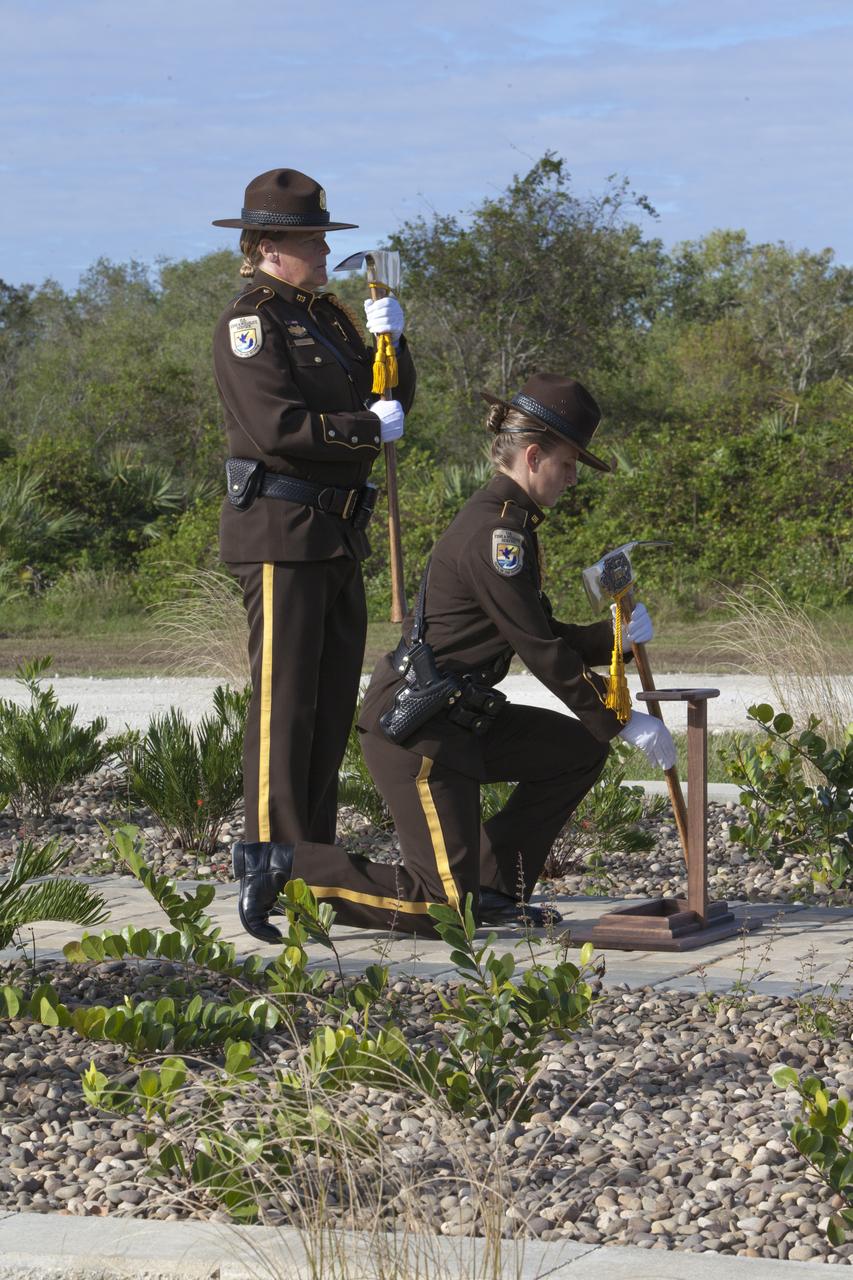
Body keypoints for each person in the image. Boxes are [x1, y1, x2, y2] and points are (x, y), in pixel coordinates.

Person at [232, 372, 675, 942]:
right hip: (419, 734)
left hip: (461, 722)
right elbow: (536, 648)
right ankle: (283, 870)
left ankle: (493, 887)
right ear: (534, 456)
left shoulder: (508, 523)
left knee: (575, 752)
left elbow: (535, 628)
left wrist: (610, 637)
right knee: (441, 909)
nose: (570, 480)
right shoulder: (494, 536)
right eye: (567, 465)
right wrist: (619, 719)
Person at [210, 168, 416, 939]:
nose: (325, 252)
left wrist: (395, 341)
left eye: (323, 238)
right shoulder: (251, 322)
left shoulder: (327, 317)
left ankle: (312, 861)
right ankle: (266, 859)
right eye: (310, 241)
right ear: (267, 247)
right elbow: (277, 428)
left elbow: (385, 400)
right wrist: (366, 430)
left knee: (327, 708)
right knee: (283, 703)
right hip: (279, 532)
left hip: (335, 532)